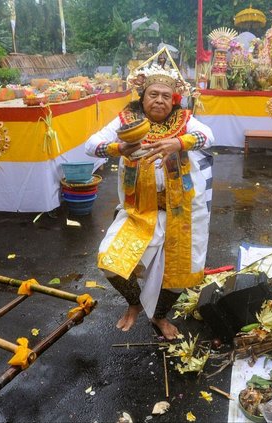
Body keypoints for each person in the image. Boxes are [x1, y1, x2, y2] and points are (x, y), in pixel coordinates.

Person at [85, 62, 215, 340]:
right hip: (139, 211)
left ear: (174, 100)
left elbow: (209, 136)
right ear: (142, 97)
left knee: (182, 272)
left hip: (183, 212)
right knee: (110, 262)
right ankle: (134, 302)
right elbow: (90, 145)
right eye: (153, 94)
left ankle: (159, 317)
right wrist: (119, 148)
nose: (159, 100)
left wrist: (179, 143)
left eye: (165, 96)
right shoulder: (126, 121)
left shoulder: (184, 121)